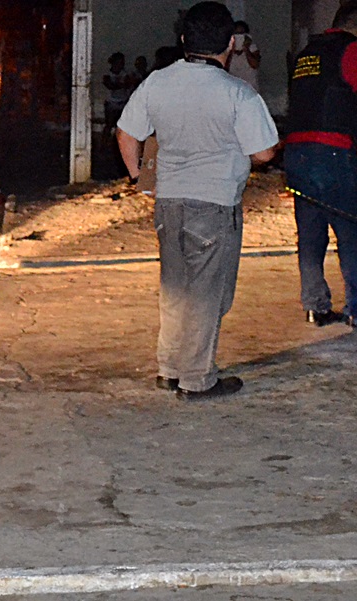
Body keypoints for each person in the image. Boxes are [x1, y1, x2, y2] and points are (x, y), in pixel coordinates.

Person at [117, 1, 279, 400]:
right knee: (208, 293)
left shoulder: (158, 82)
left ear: (185, 39)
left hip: (169, 201)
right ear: (229, 42)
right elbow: (264, 153)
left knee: (175, 287)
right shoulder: (237, 92)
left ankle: (169, 368)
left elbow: (126, 134)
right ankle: (197, 378)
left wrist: (140, 177)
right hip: (215, 202)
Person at [283, 0, 357, 333]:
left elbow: (336, 110)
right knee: (351, 231)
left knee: (310, 235)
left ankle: (316, 306)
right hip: (333, 157)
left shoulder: (308, 55)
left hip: (296, 153)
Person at [103, 53, 134, 129]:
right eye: (119, 62)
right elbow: (109, 86)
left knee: (122, 126)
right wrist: (121, 85)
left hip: (123, 103)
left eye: (122, 62)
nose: (121, 64)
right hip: (111, 103)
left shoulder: (125, 73)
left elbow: (129, 84)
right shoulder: (107, 73)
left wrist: (119, 85)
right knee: (109, 124)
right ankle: (105, 140)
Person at [229, 21, 263, 91]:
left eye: (241, 34)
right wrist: (232, 49)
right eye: (236, 34)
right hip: (233, 89)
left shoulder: (253, 48)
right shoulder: (227, 50)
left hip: (250, 89)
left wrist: (246, 49)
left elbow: (255, 65)